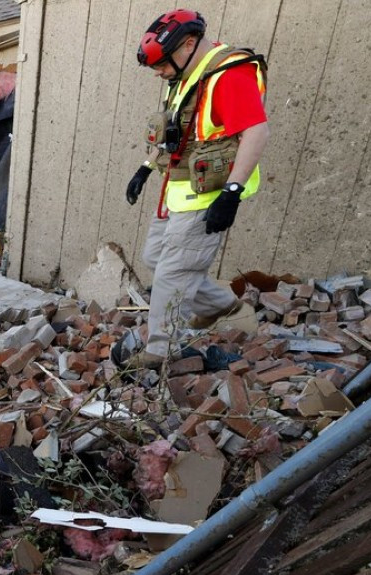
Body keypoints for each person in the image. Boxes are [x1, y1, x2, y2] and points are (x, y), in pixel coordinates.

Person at [124, 9, 269, 369]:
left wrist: (231, 193)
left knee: (174, 271)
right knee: (156, 258)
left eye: (161, 64)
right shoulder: (188, 75)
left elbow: (256, 131)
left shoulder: (228, 74)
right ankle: (223, 306)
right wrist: (144, 169)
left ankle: (161, 349)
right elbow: (175, 131)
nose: (158, 73)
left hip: (209, 193)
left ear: (189, 44)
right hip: (179, 189)